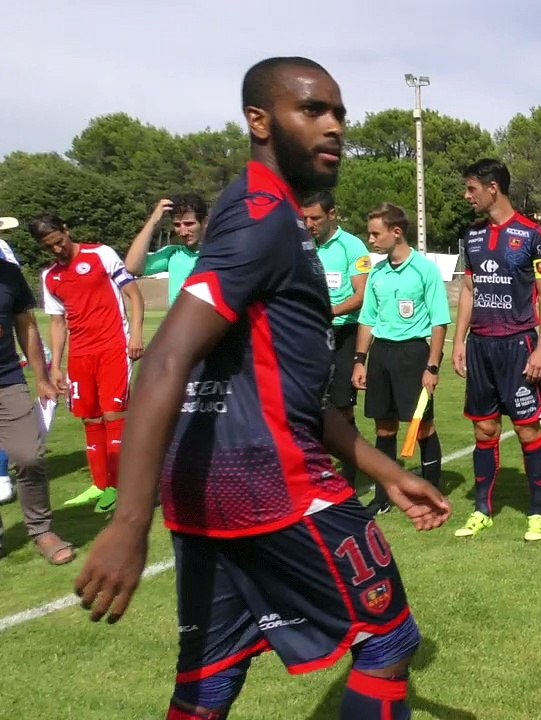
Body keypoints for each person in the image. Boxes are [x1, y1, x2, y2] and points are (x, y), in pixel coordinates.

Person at [73, 56, 452, 720]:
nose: (334, 126)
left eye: (339, 113)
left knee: (209, 676)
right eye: (313, 110)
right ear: (259, 120)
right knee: (389, 640)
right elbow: (165, 360)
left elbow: (288, 388)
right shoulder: (259, 216)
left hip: (203, 491)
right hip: (271, 484)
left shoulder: (267, 216)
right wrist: (129, 524)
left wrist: (386, 472)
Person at [451, 159, 541, 541]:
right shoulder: (472, 236)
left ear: (493, 188)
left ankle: (538, 511)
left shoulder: (533, 234)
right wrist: (459, 341)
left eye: (472, 188)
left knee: (528, 432)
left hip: (518, 345)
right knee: (484, 430)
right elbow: (468, 290)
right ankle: (482, 509)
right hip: (480, 346)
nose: (467, 196)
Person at [35, 215, 145, 514]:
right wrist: (55, 366)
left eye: (59, 241)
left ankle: (120, 486)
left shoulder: (101, 254)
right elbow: (58, 323)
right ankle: (99, 483)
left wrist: (136, 333)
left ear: (66, 231)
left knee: (114, 414)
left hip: (113, 347)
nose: (58, 250)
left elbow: (134, 295)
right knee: (90, 418)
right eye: (50, 247)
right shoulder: (50, 278)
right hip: (80, 355)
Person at [353, 203, 451, 514]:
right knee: (384, 429)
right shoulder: (377, 273)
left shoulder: (425, 270)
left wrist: (432, 366)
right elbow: (367, 319)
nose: (371, 239)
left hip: (413, 354)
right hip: (381, 353)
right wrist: (359, 360)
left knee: (422, 427)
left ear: (396, 233)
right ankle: (383, 499)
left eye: (375, 233)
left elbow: (439, 321)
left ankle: (432, 496)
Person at [0, 258, 75, 564]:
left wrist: (41, 377)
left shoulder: (8, 273)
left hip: (6, 379)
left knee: (30, 456)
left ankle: (42, 531)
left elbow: (26, 325)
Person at [301, 190, 371, 489]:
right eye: (304, 218)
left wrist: (329, 311)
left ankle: (350, 476)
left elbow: (361, 294)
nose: (309, 224)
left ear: (332, 215)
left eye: (315, 218)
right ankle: (315, 468)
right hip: (309, 334)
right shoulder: (302, 245)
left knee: (342, 407)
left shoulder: (352, 247)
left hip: (344, 333)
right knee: (307, 403)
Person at [125, 195, 207, 306]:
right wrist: (153, 221)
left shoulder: (221, 253)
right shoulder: (173, 254)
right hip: (180, 323)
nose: (183, 232)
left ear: (204, 222)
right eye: (177, 225)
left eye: (189, 224)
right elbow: (132, 267)